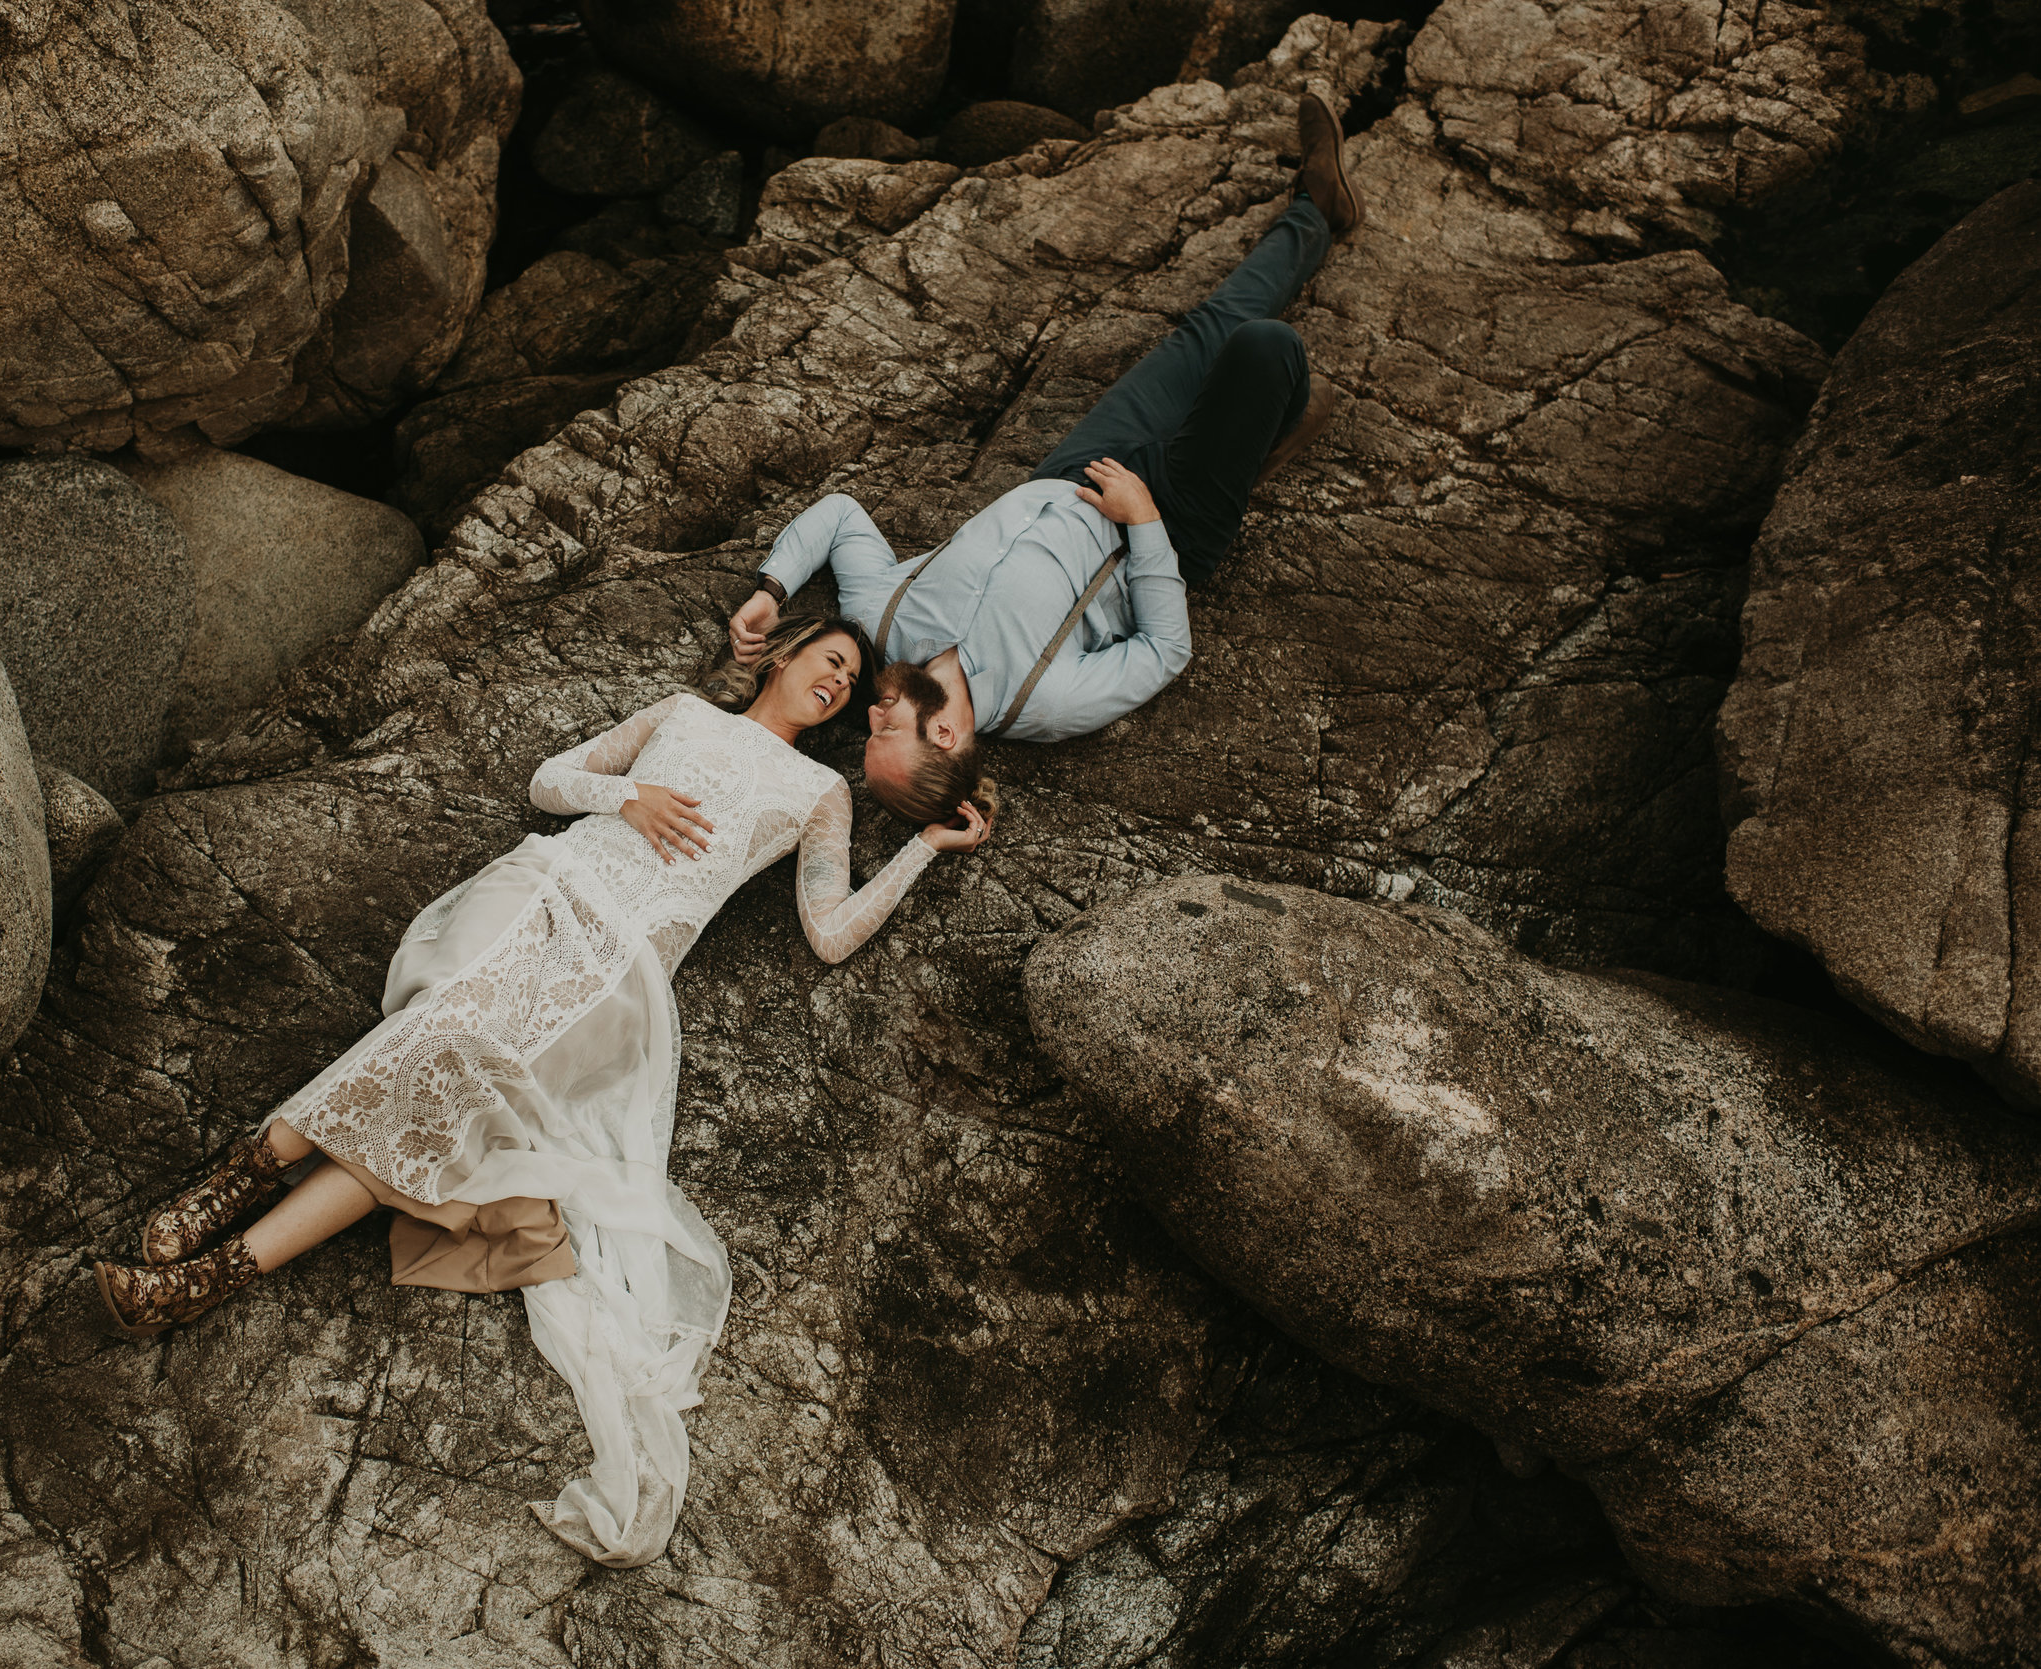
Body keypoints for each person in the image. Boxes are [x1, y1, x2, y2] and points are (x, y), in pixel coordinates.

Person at [87, 616, 991, 1568]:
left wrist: (924, 846)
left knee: (437, 1099)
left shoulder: (819, 794)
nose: (840, 683)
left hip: (618, 972)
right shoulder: (682, 710)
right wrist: (630, 796)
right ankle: (230, 1198)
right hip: (551, 890)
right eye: (831, 661)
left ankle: (210, 1262)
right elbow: (550, 780)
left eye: (850, 683)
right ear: (783, 654)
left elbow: (831, 929)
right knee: (434, 1041)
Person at [728, 92, 1362, 822]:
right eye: (884, 732)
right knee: (1265, 350)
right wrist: (1147, 519)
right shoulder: (1049, 702)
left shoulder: (884, 624)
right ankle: (1269, 427)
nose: (868, 718)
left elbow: (839, 517)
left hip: (1079, 465)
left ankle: (1317, 212)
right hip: (1167, 518)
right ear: (945, 732)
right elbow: (1164, 652)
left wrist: (771, 589)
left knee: (1209, 329)